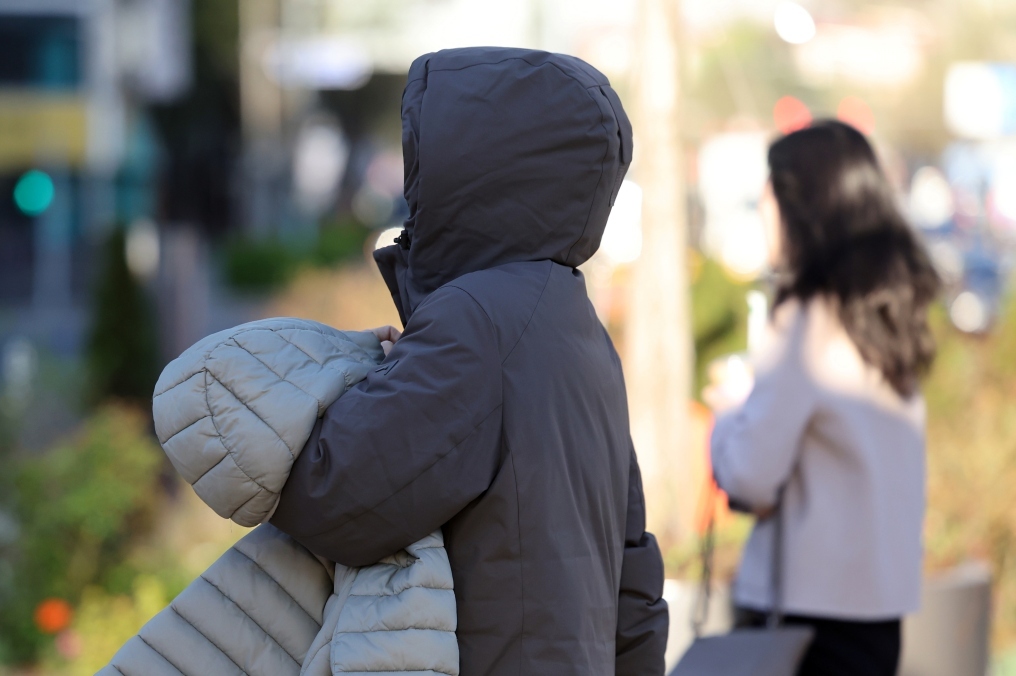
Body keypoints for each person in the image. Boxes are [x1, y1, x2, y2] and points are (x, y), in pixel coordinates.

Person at [268, 47, 669, 674]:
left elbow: (335, 498)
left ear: (472, 170)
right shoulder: (574, 322)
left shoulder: (481, 320)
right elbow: (635, 576)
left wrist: (363, 379)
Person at [707, 120, 940, 676]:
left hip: (801, 620)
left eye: (768, 195)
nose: (763, 210)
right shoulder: (890, 315)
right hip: (879, 614)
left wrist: (728, 413)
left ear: (800, 208)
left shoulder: (805, 321)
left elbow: (749, 476)